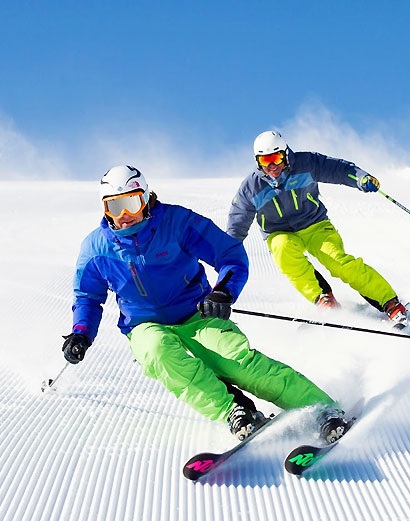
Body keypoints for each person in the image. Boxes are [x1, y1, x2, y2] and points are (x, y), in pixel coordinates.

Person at [62, 165, 350, 443]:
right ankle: (234, 411)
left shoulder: (177, 223)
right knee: (157, 352)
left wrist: (223, 292)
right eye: (114, 207)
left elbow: (230, 255)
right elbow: (88, 296)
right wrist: (81, 332)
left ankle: (322, 408)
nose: (124, 216)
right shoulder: (96, 248)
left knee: (238, 362)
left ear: (146, 199)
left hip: (196, 312)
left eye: (131, 204)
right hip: (144, 324)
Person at [227, 130, 408, 327]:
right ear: (257, 162)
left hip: (315, 224)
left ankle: (389, 302)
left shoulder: (306, 163)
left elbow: (337, 169)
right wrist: (227, 251)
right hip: (280, 232)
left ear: (285, 154)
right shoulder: (251, 187)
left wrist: (361, 178)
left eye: (276, 158)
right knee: (283, 250)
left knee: (337, 261)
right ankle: (323, 299)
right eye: (265, 161)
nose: (272, 166)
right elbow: (238, 220)